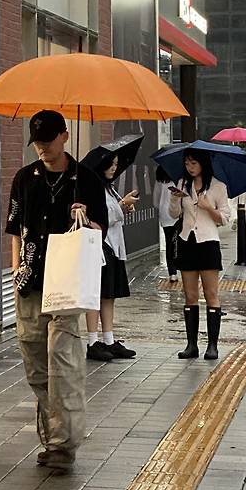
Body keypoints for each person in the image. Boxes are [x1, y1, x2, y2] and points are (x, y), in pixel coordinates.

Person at [6, 110, 108, 473]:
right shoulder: (24, 178)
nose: (42, 149)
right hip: (30, 283)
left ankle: (63, 445)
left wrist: (85, 217)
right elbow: (16, 229)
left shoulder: (87, 181)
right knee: (36, 367)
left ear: (64, 136)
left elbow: (100, 234)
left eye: (48, 141)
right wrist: (16, 268)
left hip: (66, 284)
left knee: (62, 363)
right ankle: (54, 435)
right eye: (37, 142)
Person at [169, 150, 231, 361]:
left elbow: (225, 218)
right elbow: (174, 214)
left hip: (208, 243)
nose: (190, 167)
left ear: (203, 163)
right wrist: (175, 199)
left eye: (193, 163)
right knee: (190, 295)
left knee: (211, 294)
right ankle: (191, 345)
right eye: (187, 163)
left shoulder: (217, 186)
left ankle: (212, 345)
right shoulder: (182, 184)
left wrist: (208, 208)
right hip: (188, 242)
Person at [85, 154, 139, 362]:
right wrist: (121, 206)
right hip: (100, 245)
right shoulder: (92, 187)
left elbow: (114, 212)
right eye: (110, 164)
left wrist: (123, 206)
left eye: (117, 165)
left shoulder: (109, 187)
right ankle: (92, 341)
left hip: (114, 245)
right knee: (95, 294)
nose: (114, 169)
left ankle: (108, 339)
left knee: (109, 294)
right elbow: (99, 216)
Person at [153, 165, 179, 282]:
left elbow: (155, 200)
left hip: (165, 215)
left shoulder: (160, 179)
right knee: (179, 242)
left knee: (169, 243)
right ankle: (179, 267)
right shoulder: (179, 178)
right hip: (178, 215)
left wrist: (162, 207)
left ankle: (172, 272)